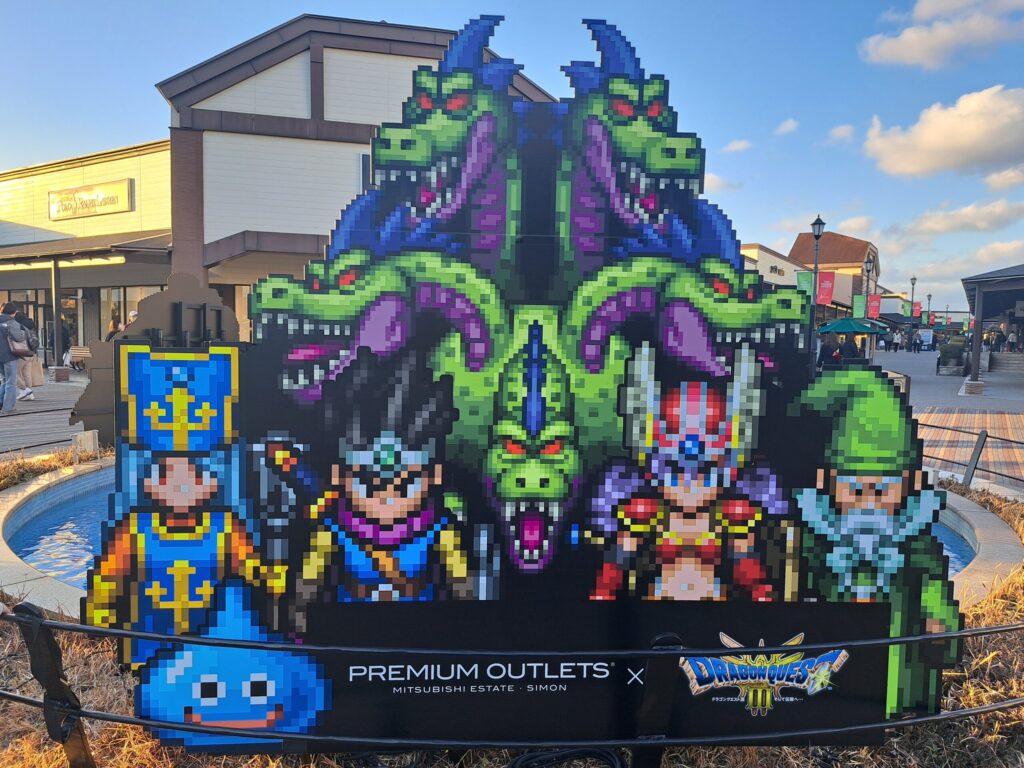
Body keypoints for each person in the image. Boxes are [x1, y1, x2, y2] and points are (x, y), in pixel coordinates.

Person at [0, 302, 29, 415]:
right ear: (13, 312)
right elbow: (19, 337)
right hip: (9, 355)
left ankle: (1, 403)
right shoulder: (12, 323)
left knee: (4, 380)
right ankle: (8, 408)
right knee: (11, 382)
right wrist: (23, 332)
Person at [13, 306, 39, 402]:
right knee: (26, 373)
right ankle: (30, 393)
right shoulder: (30, 324)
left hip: (22, 353)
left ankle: (25, 390)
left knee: (14, 372)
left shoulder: (19, 326)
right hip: (31, 352)